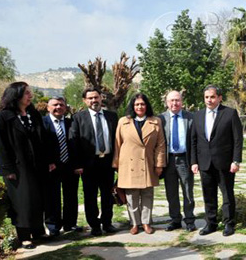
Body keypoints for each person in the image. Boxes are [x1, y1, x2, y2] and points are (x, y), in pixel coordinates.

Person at [0, 82, 56, 249]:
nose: (31, 95)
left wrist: (49, 160)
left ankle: (38, 231)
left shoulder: (33, 114)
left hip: (38, 165)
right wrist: (7, 169)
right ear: (17, 95)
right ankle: (24, 236)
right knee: (23, 201)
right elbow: (1, 145)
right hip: (18, 168)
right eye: (27, 93)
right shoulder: (4, 116)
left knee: (38, 199)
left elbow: (43, 139)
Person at [191, 85, 243, 237]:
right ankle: (211, 223)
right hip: (204, 163)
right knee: (208, 195)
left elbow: (237, 139)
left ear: (220, 97)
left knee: (227, 194)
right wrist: (194, 162)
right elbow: (193, 140)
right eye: (206, 97)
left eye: (212, 97)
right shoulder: (198, 115)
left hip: (225, 163)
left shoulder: (230, 113)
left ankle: (229, 223)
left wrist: (236, 161)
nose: (209, 100)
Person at [113, 93, 166, 235]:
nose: (139, 107)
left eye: (142, 104)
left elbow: (161, 145)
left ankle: (146, 222)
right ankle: (134, 223)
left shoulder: (155, 121)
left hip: (148, 162)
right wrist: (116, 164)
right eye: (137, 104)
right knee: (132, 196)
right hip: (128, 164)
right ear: (132, 106)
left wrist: (159, 164)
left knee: (147, 195)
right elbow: (117, 144)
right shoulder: (123, 121)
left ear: (146, 105)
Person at [69, 88, 118, 236]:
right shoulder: (78, 118)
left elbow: (118, 139)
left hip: (108, 162)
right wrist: (77, 164)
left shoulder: (112, 116)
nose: (93, 100)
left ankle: (107, 222)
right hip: (88, 164)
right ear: (84, 100)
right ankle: (95, 225)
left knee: (107, 195)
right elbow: (74, 142)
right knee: (90, 196)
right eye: (90, 98)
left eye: (96, 97)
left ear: (101, 98)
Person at [42, 97, 82, 236]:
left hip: (70, 166)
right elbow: (39, 146)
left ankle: (70, 224)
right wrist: (47, 162)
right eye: (55, 105)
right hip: (52, 166)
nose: (58, 107)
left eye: (61, 105)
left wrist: (78, 165)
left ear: (65, 107)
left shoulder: (72, 123)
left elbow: (77, 145)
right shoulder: (42, 123)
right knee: (52, 197)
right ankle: (53, 227)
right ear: (48, 107)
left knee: (71, 196)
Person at [158, 91, 197, 232]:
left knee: (188, 191)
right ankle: (175, 219)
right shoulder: (160, 119)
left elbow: (194, 142)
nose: (174, 103)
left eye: (177, 100)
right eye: (171, 101)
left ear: (182, 101)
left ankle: (190, 220)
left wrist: (194, 161)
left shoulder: (190, 118)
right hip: (168, 160)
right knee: (171, 192)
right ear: (167, 102)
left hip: (184, 159)